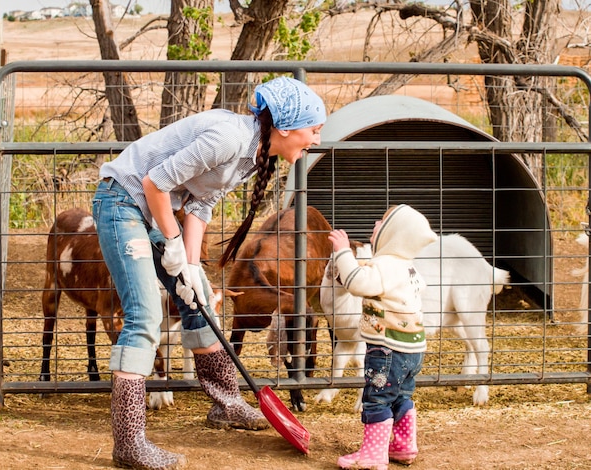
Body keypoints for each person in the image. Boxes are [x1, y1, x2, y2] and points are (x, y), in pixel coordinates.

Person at [91, 76, 326, 470]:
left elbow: (200, 203)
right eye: (314, 130)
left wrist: (191, 267)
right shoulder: (229, 138)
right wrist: (173, 243)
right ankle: (129, 444)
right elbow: (154, 183)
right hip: (121, 202)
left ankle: (227, 406)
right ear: (286, 128)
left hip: (151, 211)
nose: (316, 140)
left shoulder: (255, 155)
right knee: (145, 318)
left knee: (199, 299)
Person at [328, 204, 437, 470]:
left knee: (376, 398)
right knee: (401, 396)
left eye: (382, 221)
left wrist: (343, 252)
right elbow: (410, 285)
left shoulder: (386, 265)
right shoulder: (406, 267)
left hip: (386, 349)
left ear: (393, 234)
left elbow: (357, 283)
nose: (376, 222)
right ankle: (403, 446)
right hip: (413, 351)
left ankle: (373, 455)